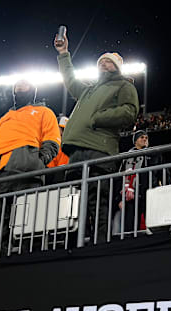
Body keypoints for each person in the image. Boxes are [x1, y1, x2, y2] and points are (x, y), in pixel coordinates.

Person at [54, 30, 139, 241]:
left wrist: (98, 118)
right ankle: (74, 245)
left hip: (99, 149)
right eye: (101, 61)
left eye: (108, 62)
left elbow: (129, 112)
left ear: (117, 67)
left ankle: (100, 243)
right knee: (74, 202)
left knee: (97, 199)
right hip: (77, 151)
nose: (103, 64)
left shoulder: (124, 85)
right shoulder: (88, 90)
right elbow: (70, 79)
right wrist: (64, 53)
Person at [0, 79, 61, 257]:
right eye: (16, 86)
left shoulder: (44, 112)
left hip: (28, 173)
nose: (19, 87)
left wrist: (37, 161)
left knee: (29, 221)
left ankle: (30, 260)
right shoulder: (5, 117)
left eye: (24, 85)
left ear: (32, 90)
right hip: (1, 173)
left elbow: (52, 140)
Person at [112, 130, 160, 236]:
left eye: (146, 137)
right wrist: (119, 199)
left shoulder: (153, 154)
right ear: (135, 141)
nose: (144, 139)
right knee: (130, 227)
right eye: (141, 137)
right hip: (130, 198)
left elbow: (158, 173)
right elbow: (119, 178)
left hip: (147, 194)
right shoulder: (126, 157)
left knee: (151, 224)